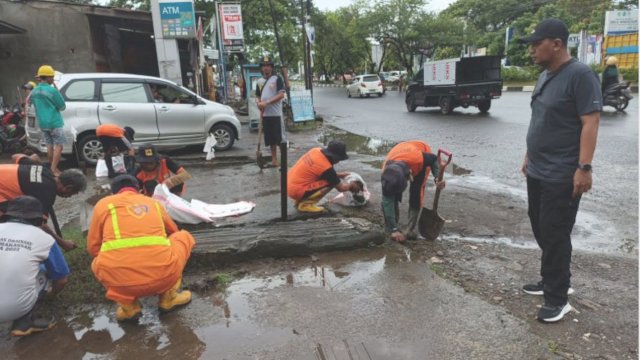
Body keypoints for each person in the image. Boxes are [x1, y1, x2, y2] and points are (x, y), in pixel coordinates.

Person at [518, 19, 601, 323]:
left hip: (563, 173)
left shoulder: (580, 75)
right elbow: (540, 118)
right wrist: (529, 153)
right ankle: (551, 279)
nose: (531, 50)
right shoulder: (545, 76)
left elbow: (590, 122)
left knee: (555, 232)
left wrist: (584, 168)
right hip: (538, 168)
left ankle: (558, 298)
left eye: (535, 44)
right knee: (541, 226)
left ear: (556, 44)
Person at [87, 175, 196, 321]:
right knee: (183, 237)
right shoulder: (153, 203)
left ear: (113, 193)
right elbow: (173, 231)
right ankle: (168, 298)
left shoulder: (104, 204)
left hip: (121, 283)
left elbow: (93, 248)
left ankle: (129, 308)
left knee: (97, 263)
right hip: (163, 276)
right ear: (139, 190)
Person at [0, 196, 70, 336]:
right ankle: (24, 322)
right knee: (44, 271)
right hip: (11, 309)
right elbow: (61, 279)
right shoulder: (44, 239)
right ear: (39, 219)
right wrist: (50, 294)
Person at [0, 156, 87, 251]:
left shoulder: (44, 169)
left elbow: (15, 157)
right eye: (72, 193)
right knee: (11, 226)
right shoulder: (47, 193)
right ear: (69, 187)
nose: (69, 196)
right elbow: (40, 224)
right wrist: (63, 243)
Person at [381, 141, 445, 242]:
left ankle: (410, 229)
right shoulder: (386, 172)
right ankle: (393, 226)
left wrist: (437, 177)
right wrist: (393, 229)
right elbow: (387, 201)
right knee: (391, 196)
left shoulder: (418, 159)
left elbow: (433, 159)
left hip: (420, 153)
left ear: (409, 175)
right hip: (401, 154)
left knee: (416, 192)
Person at [287, 140, 362, 213]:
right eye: (339, 159)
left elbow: (319, 172)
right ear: (335, 157)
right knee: (331, 182)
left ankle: (300, 200)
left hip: (289, 184)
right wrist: (351, 185)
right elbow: (341, 188)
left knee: (332, 179)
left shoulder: (316, 150)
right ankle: (306, 205)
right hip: (296, 191)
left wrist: (340, 175)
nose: (338, 161)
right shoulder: (326, 168)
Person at [30, 65, 66, 176]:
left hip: (43, 123)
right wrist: (57, 92)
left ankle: (53, 168)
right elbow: (62, 106)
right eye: (52, 77)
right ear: (48, 77)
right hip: (54, 122)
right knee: (59, 145)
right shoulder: (52, 91)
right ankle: (53, 169)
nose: (53, 79)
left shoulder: (34, 91)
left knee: (50, 145)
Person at [256, 55, 286, 168]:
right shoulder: (259, 81)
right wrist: (259, 104)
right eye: (264, 66)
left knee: (280, 139)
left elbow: (281, 94)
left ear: (272, 67)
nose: (266, 68)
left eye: (268, 65)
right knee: (270, 140)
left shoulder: (277, 79)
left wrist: (267, 102)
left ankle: (284, 159)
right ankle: (274, 159)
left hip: (276, 114)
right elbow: (258, 96)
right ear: (261, 68)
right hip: (265, 115)